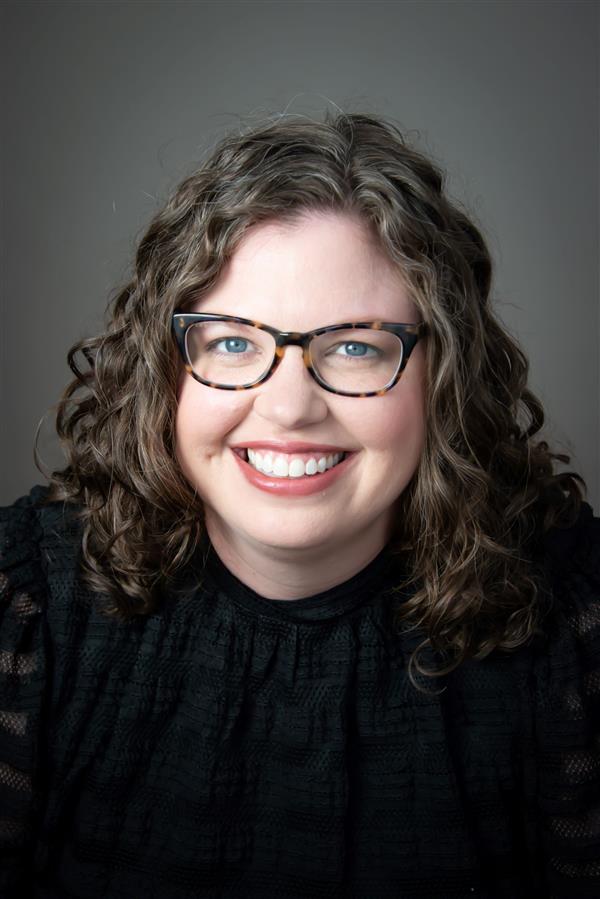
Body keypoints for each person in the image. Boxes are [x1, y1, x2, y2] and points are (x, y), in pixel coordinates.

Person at [0, 111, 598, 899]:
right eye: (232, 341)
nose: (288, 408)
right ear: (166, 370)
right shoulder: (29, 606)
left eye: (354, 346)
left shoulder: (572, 621)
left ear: (442, 377)